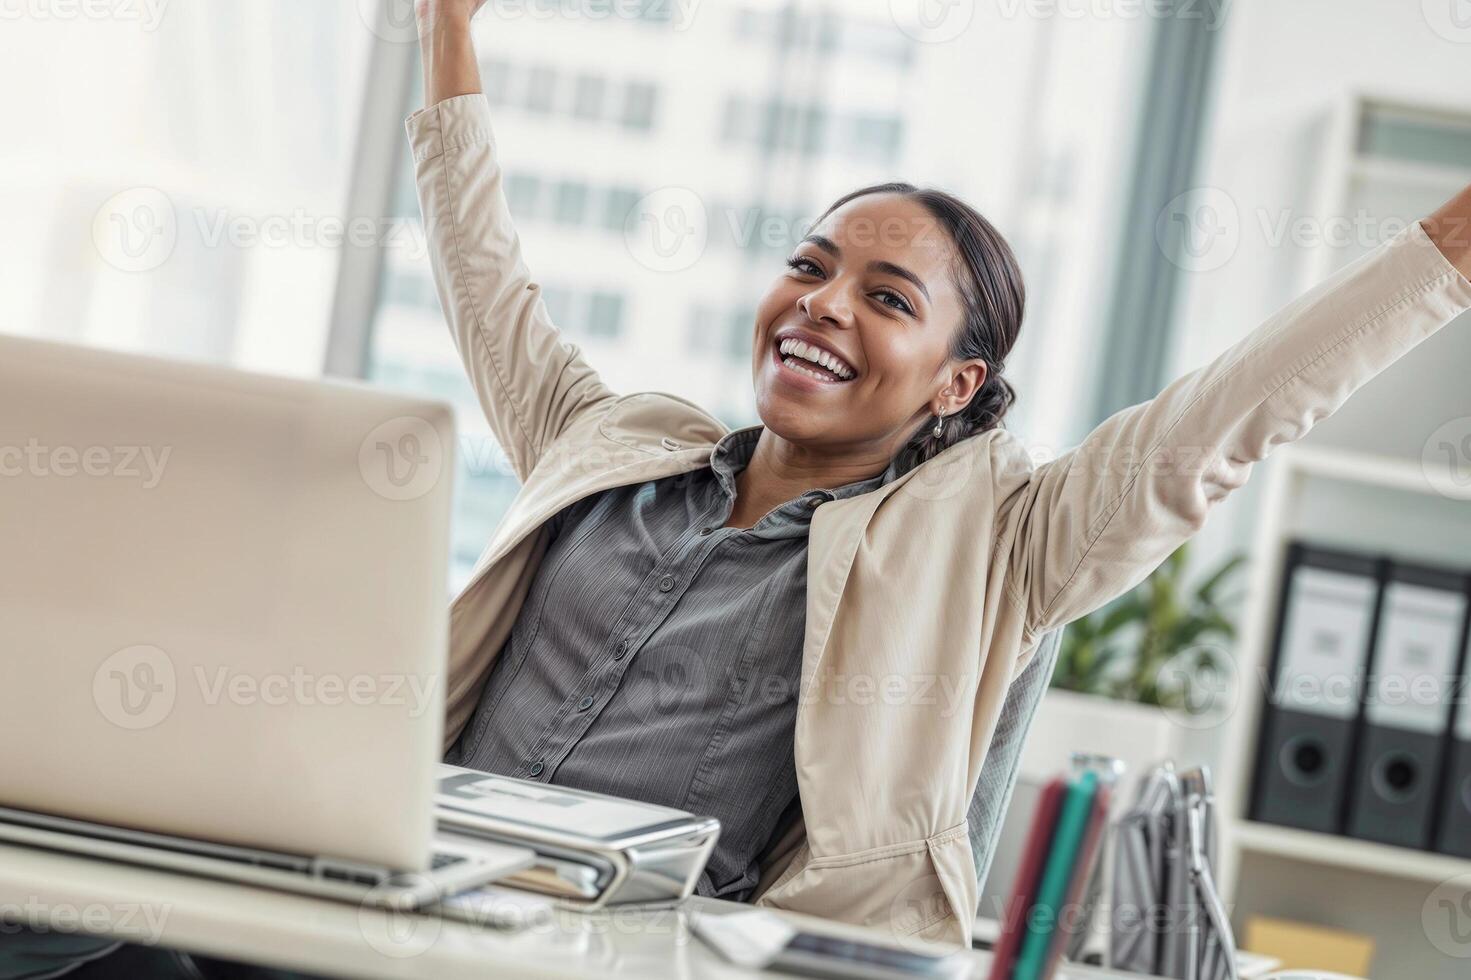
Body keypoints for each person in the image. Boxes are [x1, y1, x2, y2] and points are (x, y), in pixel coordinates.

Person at [413, 0, 1471, 948]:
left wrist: (1453, 246)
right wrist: (446, 27)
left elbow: (1236, 408)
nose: (823, 304)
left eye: (887, 298)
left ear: (955, 383)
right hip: (417, 895)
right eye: (809, 267)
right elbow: (484, 279)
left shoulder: (1000, 547)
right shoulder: (611, 443)